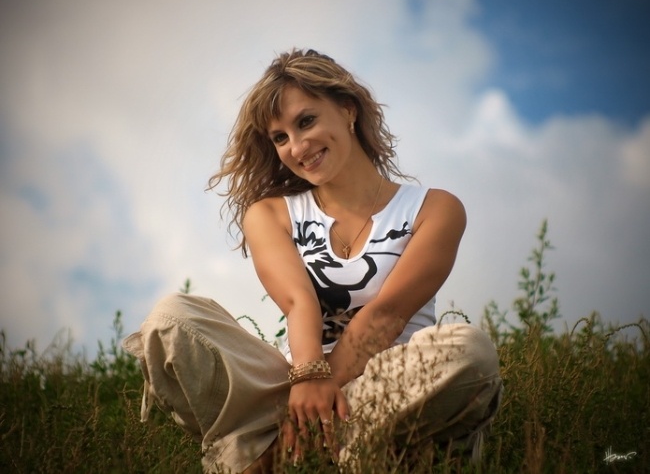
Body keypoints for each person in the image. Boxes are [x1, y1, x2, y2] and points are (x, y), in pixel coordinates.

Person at [123, 49, 503, 473]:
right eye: (280, 138)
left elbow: (389, 314)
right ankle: (311, 440)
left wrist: (320, 390)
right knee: (171, 319)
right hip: (291, 388)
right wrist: (307, 378)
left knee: (470, 352)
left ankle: (283, 451)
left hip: (391, 389)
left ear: (348, 110)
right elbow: (298, 302)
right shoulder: (271, 214)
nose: (297, 147)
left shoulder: (434, 208)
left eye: (306, 121)